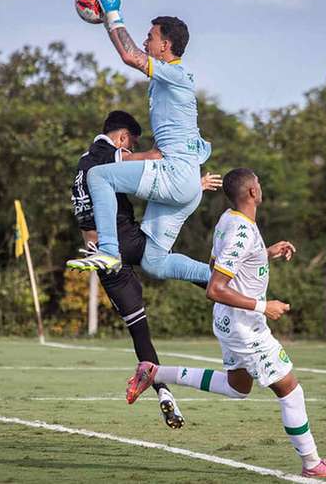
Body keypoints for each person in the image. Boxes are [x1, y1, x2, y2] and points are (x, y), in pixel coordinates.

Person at [124, 168, 326, 479]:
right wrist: (264, 306)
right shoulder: (240, 230)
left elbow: (219, 263)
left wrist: (264, 255)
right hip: (245, 327)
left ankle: (154, 372)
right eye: (258, 183)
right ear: (252, 193)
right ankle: (312, 462)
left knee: (237, 387)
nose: (260, 187)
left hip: (232, 323)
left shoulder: (230, 219)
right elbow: (214, 287)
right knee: (291, 391)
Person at [72, 110, 222, 429]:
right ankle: (222, 286)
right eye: (131, 144)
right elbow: (140, 166)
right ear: (122, 138)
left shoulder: (84, 162)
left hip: (97, 250)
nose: (130, 150)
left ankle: (164, 393)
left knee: (139, 329)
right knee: (162, 260)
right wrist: (156, 156)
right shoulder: (102, 151)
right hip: (121, 239)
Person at [67, 0, 211, 287]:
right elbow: (131, 53)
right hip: (185, 184)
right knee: (154, 263)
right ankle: (220, 278)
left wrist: (114, 15)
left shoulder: (175, 73)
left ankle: (107, 250)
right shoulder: (167, 77)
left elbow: (130, 56)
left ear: (166, 45)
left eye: (150, 37)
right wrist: (108, 20)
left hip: (177, 174)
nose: (146, 42)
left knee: (99, 176)